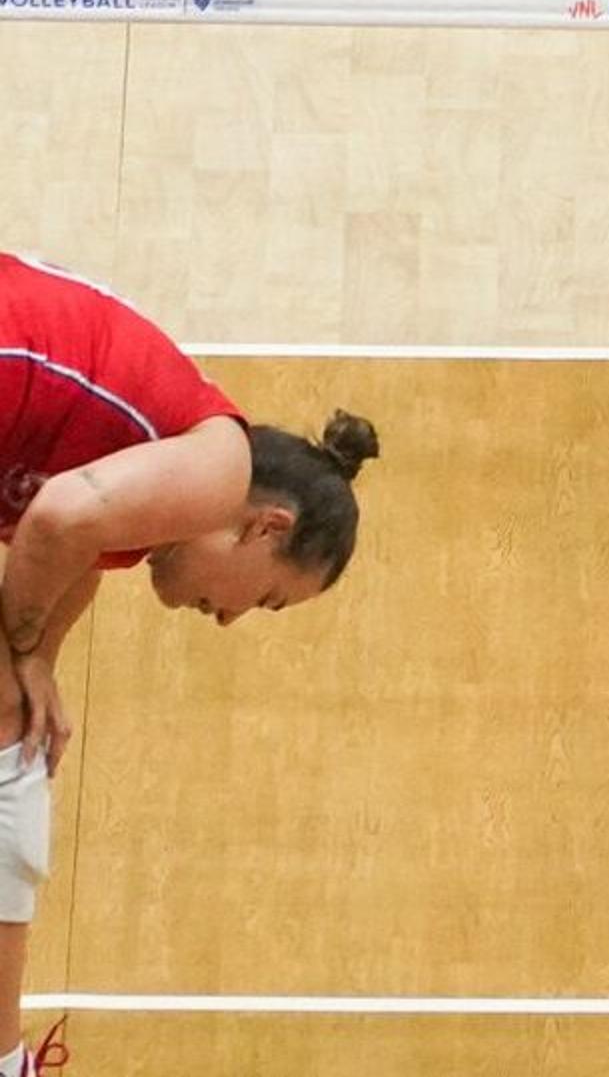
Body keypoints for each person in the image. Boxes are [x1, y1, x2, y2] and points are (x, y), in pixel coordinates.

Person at [0, 249, 378, 1074]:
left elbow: (76, 552)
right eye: (265, 599)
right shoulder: (218, 467)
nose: (231, 619)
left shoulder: (147, 488)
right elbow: (60, 520)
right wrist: (23, 651)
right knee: (8, 732)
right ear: (264, 526)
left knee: (11, 721)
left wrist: (40, 658)